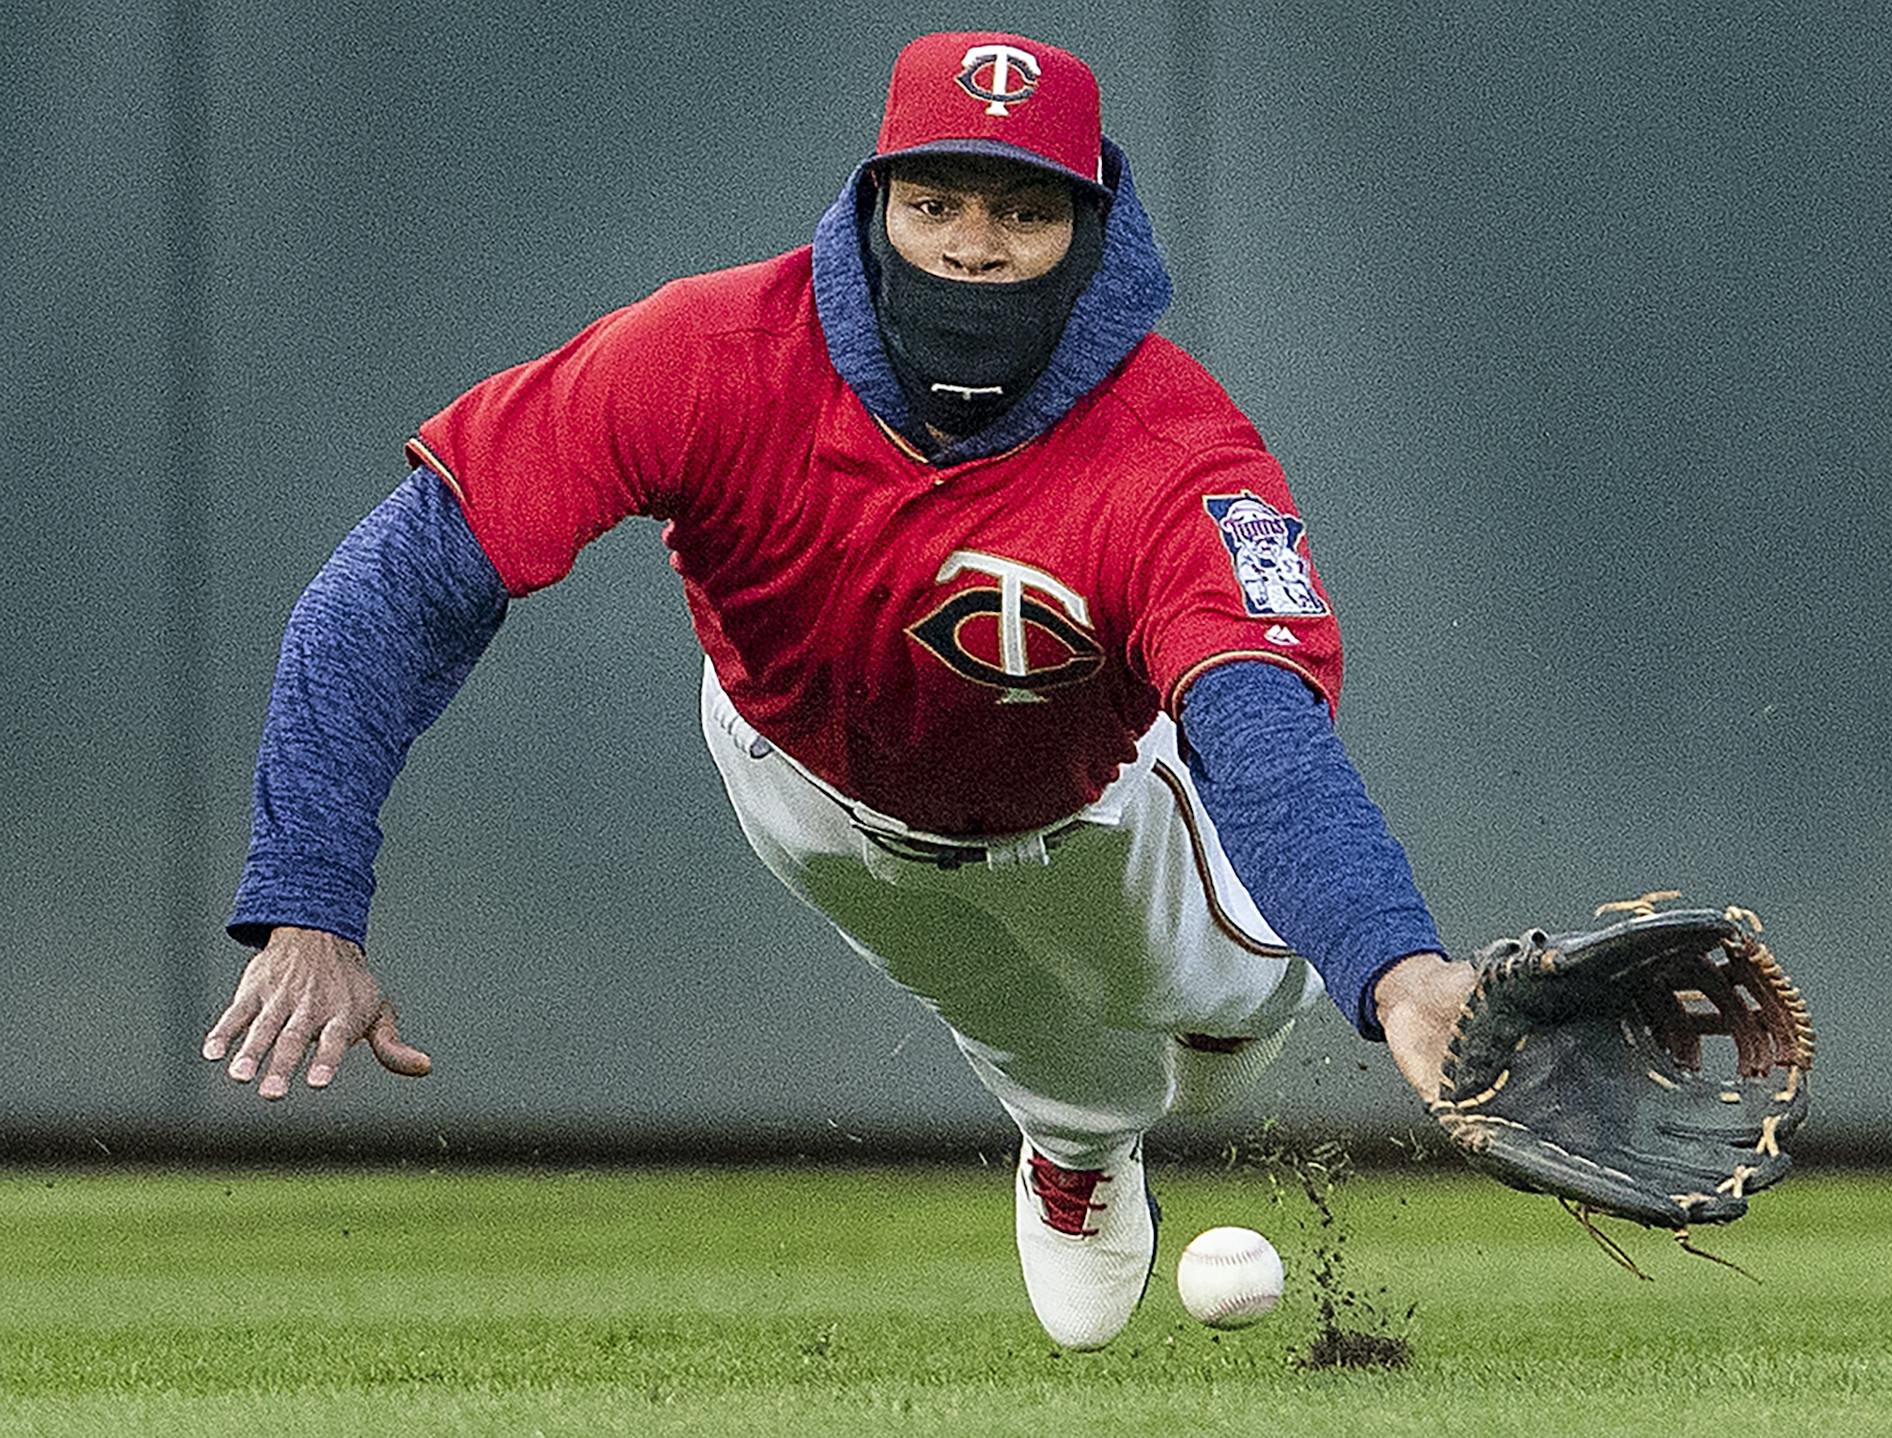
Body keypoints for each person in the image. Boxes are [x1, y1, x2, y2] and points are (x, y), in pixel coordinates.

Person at [200, 31, 1477, 1350]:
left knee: (1221, 1028)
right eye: (936, 205)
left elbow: (1261, 731)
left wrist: (1399, 970)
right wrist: (310, 901)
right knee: (1009, 1013)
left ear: (1091, 229)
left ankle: (1171, 1073)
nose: (973, 248)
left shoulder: (1173, 450)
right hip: (798, 780)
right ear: (876, 207)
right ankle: (1078, 1147)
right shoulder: (707, 352)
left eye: (1024, 212)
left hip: (1093, 798)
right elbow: (395, 586)